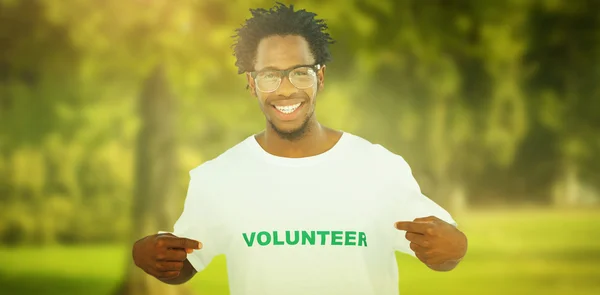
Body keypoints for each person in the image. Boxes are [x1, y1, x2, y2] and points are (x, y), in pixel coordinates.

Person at [132, 3, 468, 295]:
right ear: (252, 83)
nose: (286, 89)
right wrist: (150, 255)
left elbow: (440, 254)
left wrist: (455, 247)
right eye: (270, 76)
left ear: (320, 77)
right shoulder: (218, 178)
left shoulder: (379, 167)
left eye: (300, 73)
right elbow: (185, 263)